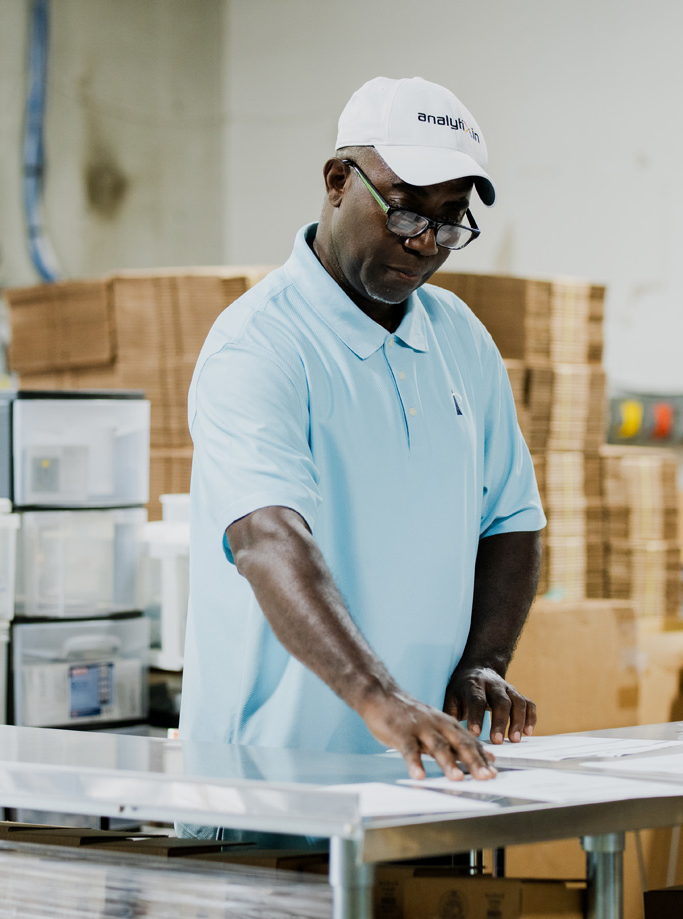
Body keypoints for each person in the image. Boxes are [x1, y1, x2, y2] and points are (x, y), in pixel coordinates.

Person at [177, 76, 546, 826]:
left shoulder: (458, 339)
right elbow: (267, 539)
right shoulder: (260, 345)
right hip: (269, 795)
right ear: (338, 181)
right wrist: (379, 697)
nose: (423, 242)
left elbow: (510, 518)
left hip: (420, 783)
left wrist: (484, 661)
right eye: (408, 209)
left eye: (449, 223)